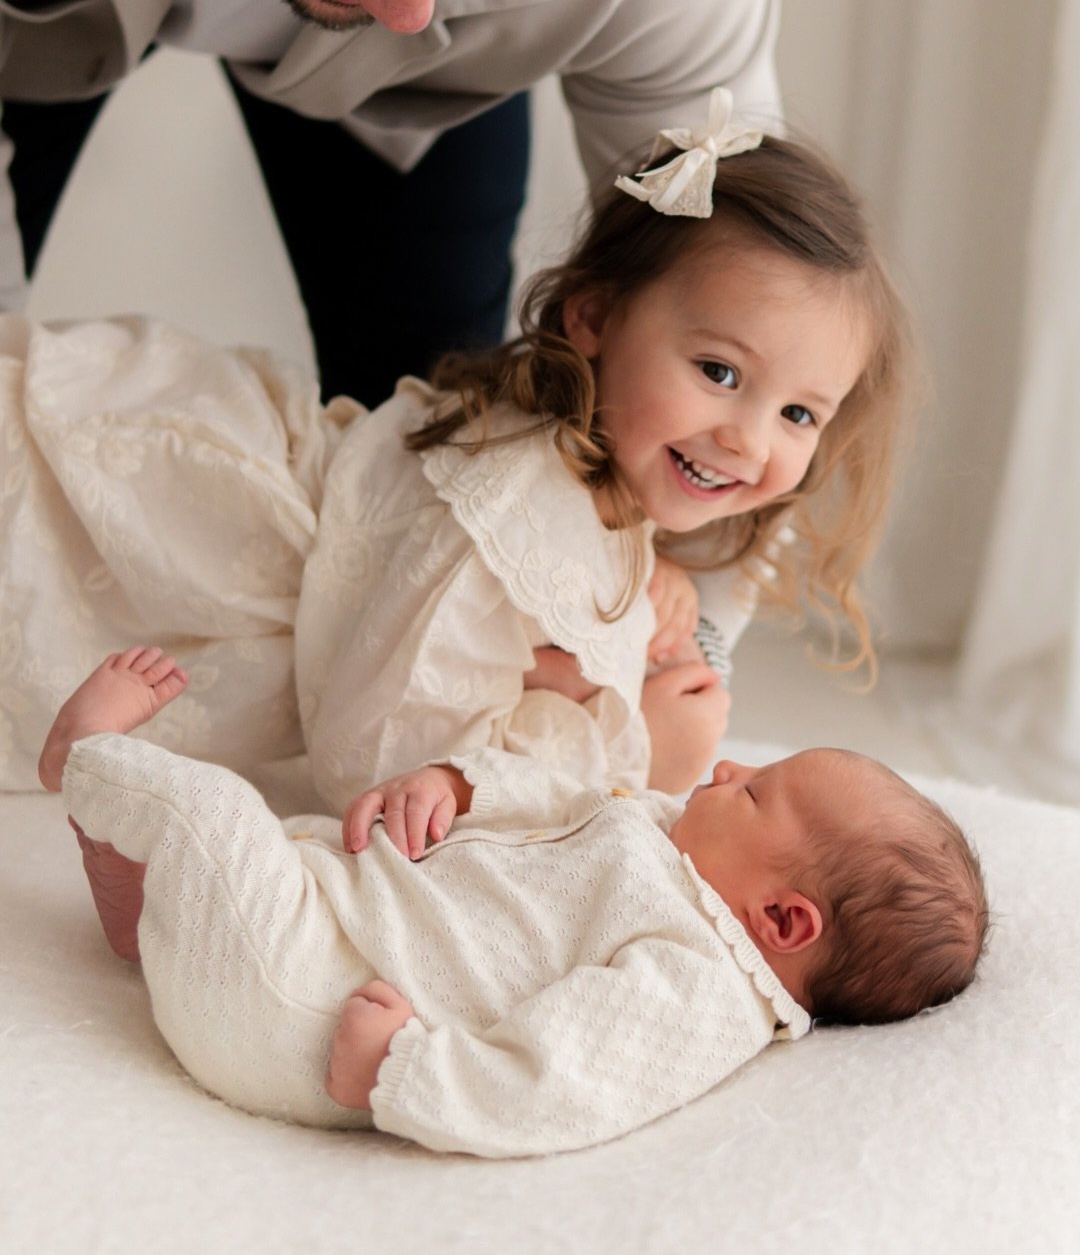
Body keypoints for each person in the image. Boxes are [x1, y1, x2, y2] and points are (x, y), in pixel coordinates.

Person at [0, 98, 915, 801]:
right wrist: (627, 739)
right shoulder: (517, 508)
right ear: (591, 318)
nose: (747, 439)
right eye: (719, 371)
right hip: (182, 531)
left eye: (800, 415)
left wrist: (620, 612)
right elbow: (379, 764)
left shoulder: (594, 475)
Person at [38, 645, 989, 1158]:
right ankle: (141, 918)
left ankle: (81, 758)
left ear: (781, 920)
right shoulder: (670, 838)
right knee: (259, 844)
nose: (730, 766)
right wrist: (455, 786)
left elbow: (563, 1083)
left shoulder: (695, 985)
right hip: (333, 902)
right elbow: (565, 791)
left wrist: (399, 1072)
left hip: (304, 1008)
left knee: (211, 809)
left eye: (754, 790)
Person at [0, 0, 783, 403]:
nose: (410, 11)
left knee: (429, 413)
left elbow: (746, 328)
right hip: (29, 20)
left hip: (420, 105)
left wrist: (687, 621)